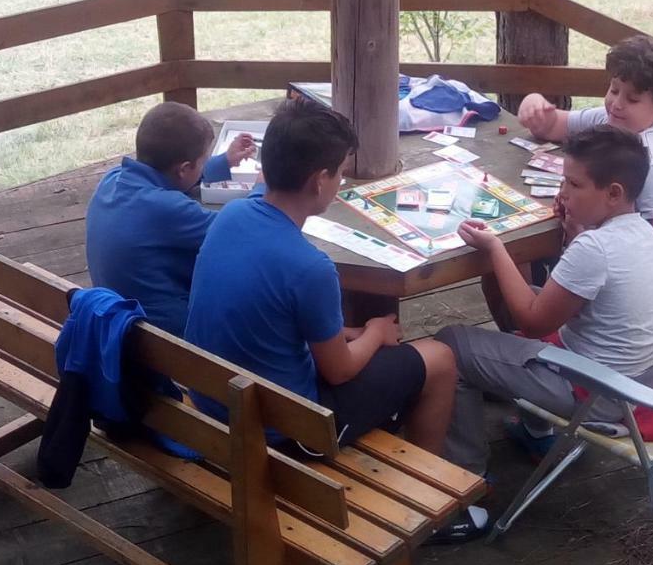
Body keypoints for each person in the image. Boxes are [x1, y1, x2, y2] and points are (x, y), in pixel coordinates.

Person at [182, 98, 458, 459]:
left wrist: (349, 334)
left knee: (378, 350)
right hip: (287, 431)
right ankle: (436, 493)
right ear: (319, 181)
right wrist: (375, 331)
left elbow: (269, 317)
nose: (341, 181)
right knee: (439, 358)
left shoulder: (230, 216)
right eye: (340, 172)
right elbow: (339, 371)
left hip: (216, 402)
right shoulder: (312, 267)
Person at [436, 126, 653, 499]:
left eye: (573, 184)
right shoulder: (642, 232)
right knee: (513, 291)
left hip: (599, 393)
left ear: (613, 193)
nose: (562, 192)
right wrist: (577, 232)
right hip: (644, 378)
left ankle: (464, 486)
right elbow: (577, 295)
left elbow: (532, 322)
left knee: (450, 347)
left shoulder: (595, 248)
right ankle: (535, 433)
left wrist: (495, 248)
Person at [85, 102, 254, 338]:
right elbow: (240, 231)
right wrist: (264, 188)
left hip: (119, 317)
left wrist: (223, 162)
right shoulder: (168, 209)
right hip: (167, 338)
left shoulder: (112, 179)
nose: (205, 165)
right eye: (204, 161)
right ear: (184, 168)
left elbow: (177, 177)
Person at [517, 35, 653, 249]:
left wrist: (597, 228)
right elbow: (552, 126)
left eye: (632, 99)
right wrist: (533, 102)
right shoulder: (610, 120)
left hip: (638, 271)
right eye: (614, 90)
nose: (616, 104)